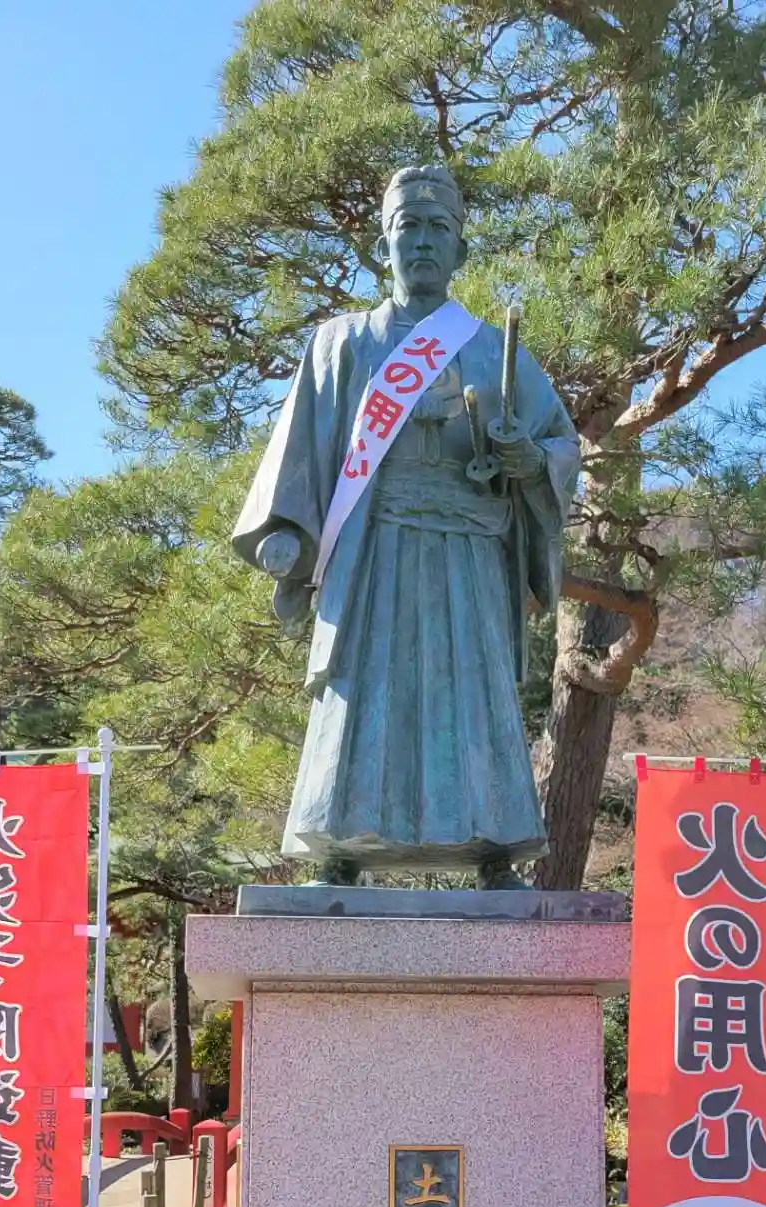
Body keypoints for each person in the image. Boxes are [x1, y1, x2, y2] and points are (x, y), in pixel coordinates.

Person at [232, 163, 579, 888]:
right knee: (364, 685)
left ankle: (494, 845)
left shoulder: (492, 349)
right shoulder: (341, 343)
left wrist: (528, 460)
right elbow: (301, 449)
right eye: (408, 227)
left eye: (438, 229)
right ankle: (340, 845)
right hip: (374, 545)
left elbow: (559, 444)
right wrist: (285, 529)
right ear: (383, 242)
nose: (422, 242)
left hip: (468, 550)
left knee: (473, 689)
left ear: (459, 249)